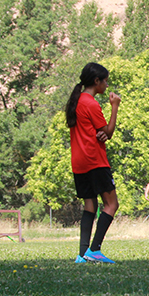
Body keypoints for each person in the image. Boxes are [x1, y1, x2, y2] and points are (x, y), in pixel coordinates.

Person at [65, 62, 121, 264]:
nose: (106, 85)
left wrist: (101, 134)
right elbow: (108, 132)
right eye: (105, 81)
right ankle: (95, 249)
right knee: (111, 204)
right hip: (95, 160)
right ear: (96, 81)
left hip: (79, 162)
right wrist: (114, 106)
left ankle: (81, 255)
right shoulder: (90, 103)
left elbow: (97, 132)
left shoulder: (76, 102)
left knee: (90, 204)